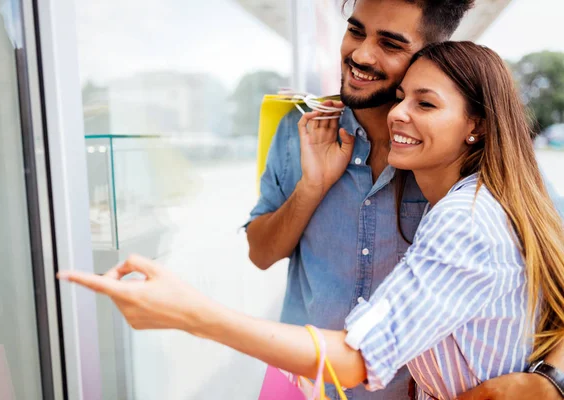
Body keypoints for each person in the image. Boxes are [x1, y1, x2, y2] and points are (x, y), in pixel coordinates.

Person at [59, 41, 564, 399]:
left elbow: (357, 356)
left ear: (476, 125)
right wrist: (313, 185)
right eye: (402, 96)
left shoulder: (467, 217)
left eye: (426, 103)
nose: (398, 113)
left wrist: (191, 314)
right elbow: (260, 252)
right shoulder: (312, 136)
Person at [245, 0, 564, 398]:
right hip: (301, 383)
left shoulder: (481, 177)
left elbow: (553, 262)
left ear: (426, 55)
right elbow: (260, 253)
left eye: (391, 44)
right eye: (356, 31)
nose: (360, 55)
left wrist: (550, 379)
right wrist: (311, 188)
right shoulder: (301, 129)